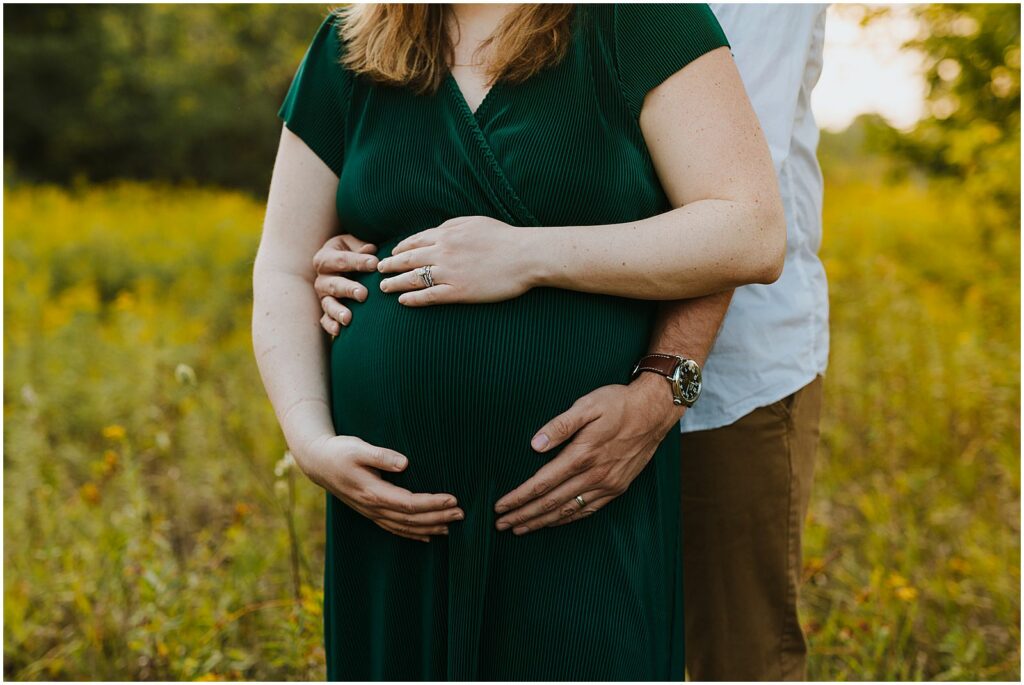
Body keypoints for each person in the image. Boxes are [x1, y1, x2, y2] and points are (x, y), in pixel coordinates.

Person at [254, 2, 784, 681]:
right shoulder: (348, 44)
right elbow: (284, 266)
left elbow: (751, 230)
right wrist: (309, 441)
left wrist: (526, 255)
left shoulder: (642, 19)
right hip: (390, 520)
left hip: (579, 499)